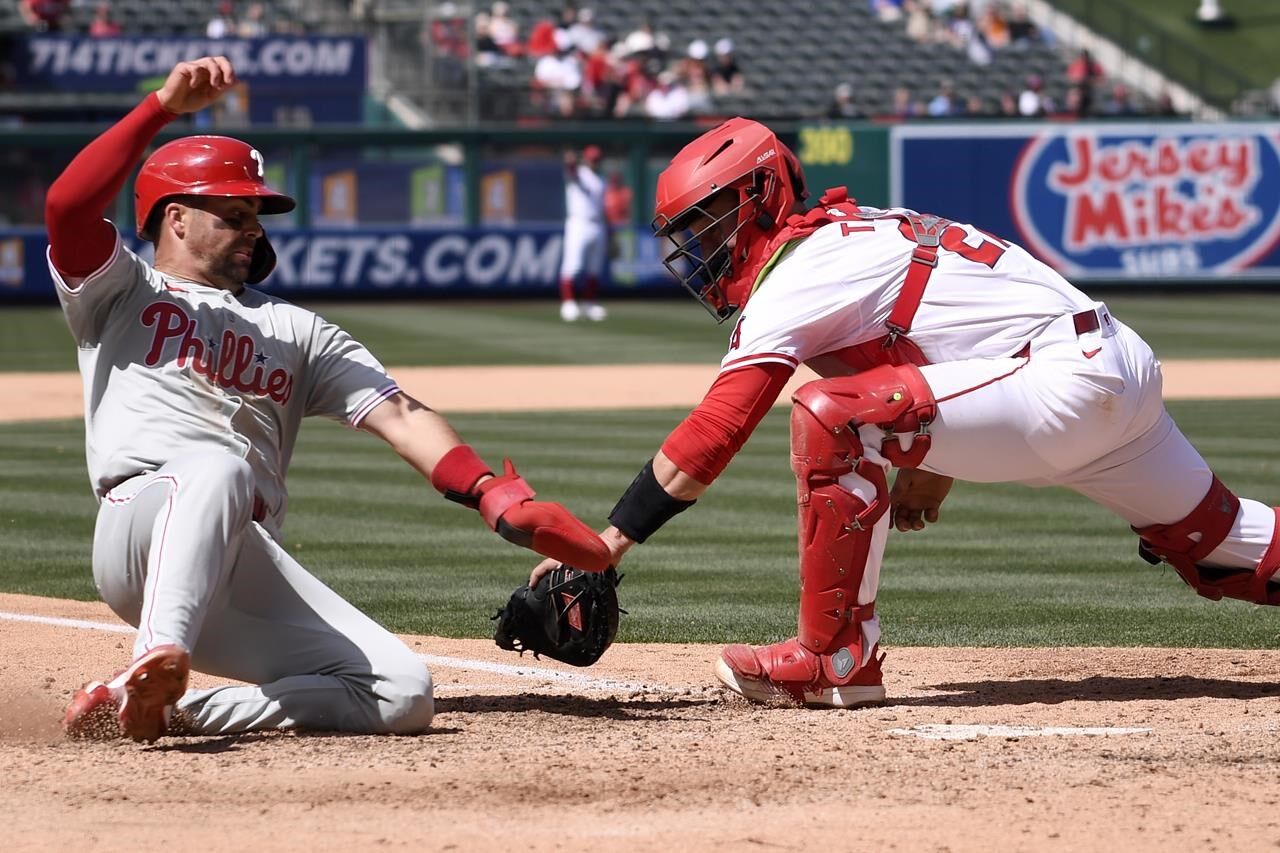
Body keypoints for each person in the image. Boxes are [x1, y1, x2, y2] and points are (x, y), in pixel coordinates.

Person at [528, 116, 1280, 708]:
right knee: (1218, 549)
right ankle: (837, 655)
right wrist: (935, 455)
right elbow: (952, 330)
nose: (699, 248)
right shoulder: (856, 234)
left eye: (708, 222)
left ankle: (835, 658)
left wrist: (607, 540)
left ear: (762, 196)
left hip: (1063, 382)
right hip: (1109, 365)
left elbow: (718, 429)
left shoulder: (801, 273)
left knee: (831, 414)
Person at [48, 57, 609, 743]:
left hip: (241, 567)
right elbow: (67, 208)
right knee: (218, 465)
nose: (254, 227)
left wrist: (490, 491)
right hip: (140, 527)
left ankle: (160, 707)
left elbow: (398, 413)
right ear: (176, 219)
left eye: (256, 212)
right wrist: (159, 109)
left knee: (403, 694)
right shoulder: (124, 291)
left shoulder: (295, 328)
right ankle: (158, 650)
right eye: (233, 212)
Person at [558, 145, 608, 322]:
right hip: (578, 223)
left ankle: (589, 303)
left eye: (597, 159)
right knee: (573, 265)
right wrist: (570, 162)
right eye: (592, 159)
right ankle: (568, 303)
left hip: (597, 224)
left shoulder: (600, 180)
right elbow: (571, 172)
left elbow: (602, 207)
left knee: (594, 268)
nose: (595, 162)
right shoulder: (580, 174)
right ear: (586, 159)